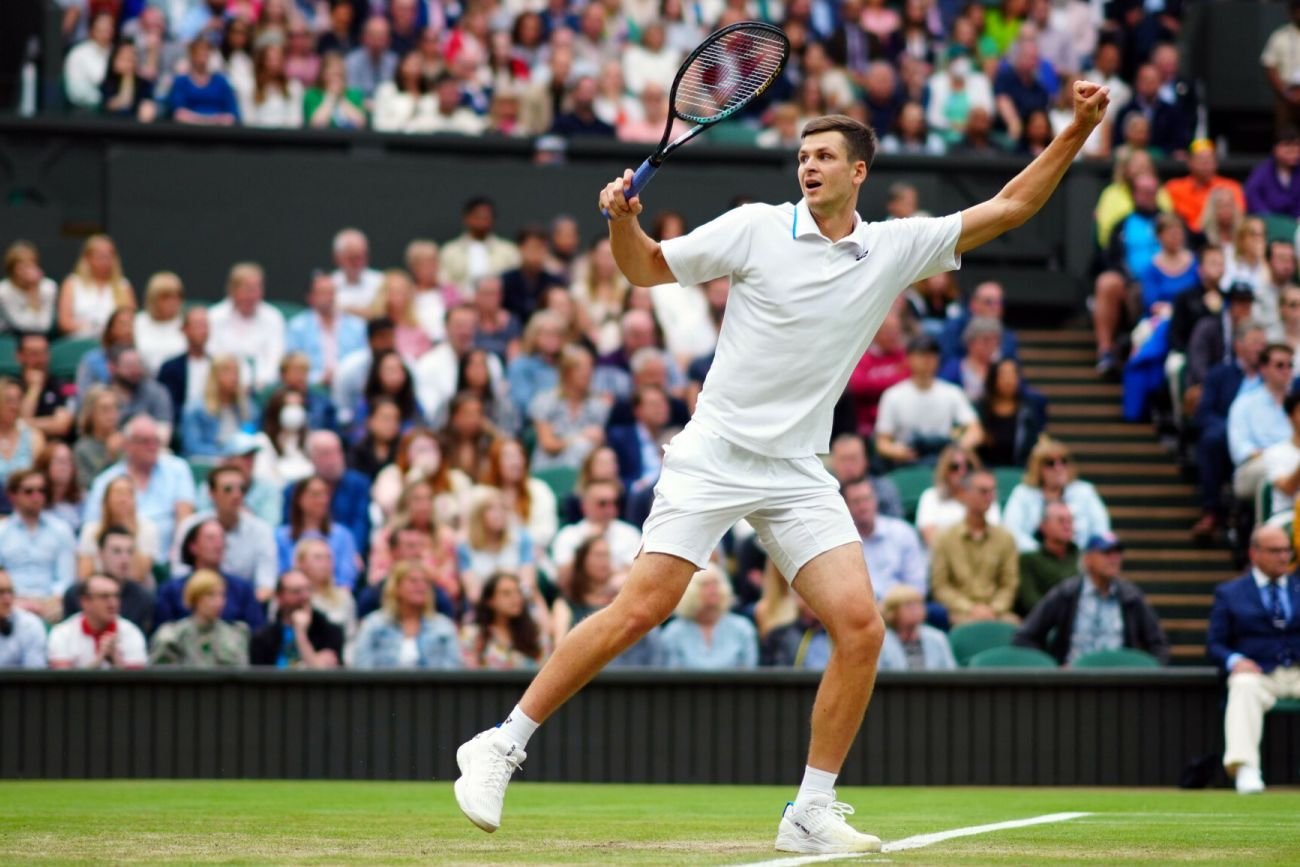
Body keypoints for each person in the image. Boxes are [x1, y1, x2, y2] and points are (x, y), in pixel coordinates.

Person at [455, 83, 1113, 851]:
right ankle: (500, 743)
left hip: (798, 469)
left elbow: (1006, 208)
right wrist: (622, 221)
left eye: (825, 156)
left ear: (858, 172)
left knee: (861, 628)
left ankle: (809, 810)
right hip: (715, 454)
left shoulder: (893, 246)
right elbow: (646, 271)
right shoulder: (754, 228)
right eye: (803, 155)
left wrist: (1074, 131)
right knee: (642, 607)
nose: (809, 165)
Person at [1207, 525, 1300, 795]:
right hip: (1260, 673)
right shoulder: (1230, 592)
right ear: (1254, 553)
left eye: (1287, 550)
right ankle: (1246, 768)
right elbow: (1215, 644)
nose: (1283, 557)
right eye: (1275, 551)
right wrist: (1235, 660)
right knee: (1242, 684)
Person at [1014, 531, 1167, 666]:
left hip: (1121, 686)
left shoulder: (1131, 597)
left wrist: (1144, 675)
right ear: (1087, 559)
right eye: (1106, 553)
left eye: (1117, 553)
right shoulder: (1066, 593)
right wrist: (1053, 668)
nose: (1114, 559)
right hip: (1074, 685)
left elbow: (1158, 645)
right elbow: (1025, 637)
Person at [84, 414, 195, 555]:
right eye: (145, 441)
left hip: (169, 555)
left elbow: (184, 520)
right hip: (121, 554)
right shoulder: (105, 481)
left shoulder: (178, 468)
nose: (153, 446)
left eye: (156, 441)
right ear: (127, 445)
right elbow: (93, 525)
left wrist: (177, 556)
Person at [171, 465, 278, 601]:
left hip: (242, 607)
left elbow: (266, 585)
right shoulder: (190, 525)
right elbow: (179, 574)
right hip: (195, 603)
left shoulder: (262, 530)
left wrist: (243, 606)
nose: (237, 495)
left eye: (242, 489)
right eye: (228, 489)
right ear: (211, 493)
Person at [875, 334, 983, 467]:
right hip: (908, 462)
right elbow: (882, 442)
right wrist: (899, 452)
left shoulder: (953, 392)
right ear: (909, 358)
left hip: (944, 461)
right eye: (921, 354)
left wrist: (956, 449)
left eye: (932, 355)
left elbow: (975, 431)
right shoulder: (893, 395)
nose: (927, 360)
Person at [930, 471, 1021, 626]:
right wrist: (970, 608)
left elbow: (1009, 584)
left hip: (997, 613)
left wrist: (994, 609)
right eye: (983, 491)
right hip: (959, 614)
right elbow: (940, 586)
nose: (989, 497)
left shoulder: (1005, 538)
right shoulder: (945, 538)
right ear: (965, 494)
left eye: (993, 491)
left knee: (1015, 627)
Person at [1002, 436, 1112, 552]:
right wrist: (1042, 554)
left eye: (1063, 461)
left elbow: (1101, 530)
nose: (1058, 468)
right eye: (1051, 463)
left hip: (1079, 561)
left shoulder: (1085, 491)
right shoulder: (1023, 493)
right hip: (1034, 560)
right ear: (1038, 468)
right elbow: (1011, 532)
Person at [155, 519, 265, 629]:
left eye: (221, 538)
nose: (219, 545)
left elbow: (256, 633)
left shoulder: (242, 590)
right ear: (193, 547)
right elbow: (161, 635)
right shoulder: (171, 591)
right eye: (210, 538)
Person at [352, 561, 462, 669]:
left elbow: (453, 669)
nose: (421, 586)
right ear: (397, 587)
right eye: (413, 581)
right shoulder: (374, 624)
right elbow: (362, 667)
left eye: (426, 582)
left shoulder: (444, 627)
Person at [0, 469, 76, 623]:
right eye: (29, 491)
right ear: (13, 496)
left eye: (41, 491)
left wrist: (52, 601)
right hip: (10, 600)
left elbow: (65, 577)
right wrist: (14, 601)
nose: (36, 497)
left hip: (51, 603)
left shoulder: (61, 530)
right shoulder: (2, 531)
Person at [284, 431, 372, 554]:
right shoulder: (294, 490)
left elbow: (361, 522)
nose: (334, 459)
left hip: (347, 550)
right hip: (302, 550)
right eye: (326, 453)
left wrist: (354, 551)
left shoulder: (359, 484)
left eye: (337, 451)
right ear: (312, 457)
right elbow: (290, 525)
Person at [1226, 342, 1294, 501]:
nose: (1286, 370)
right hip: (1257, 466)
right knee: (1278, 467)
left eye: (1290, 365)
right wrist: (1278, 457)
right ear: (1263, 369)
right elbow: (1240, 450)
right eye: (1279, 365)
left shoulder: (1297, 404)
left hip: (1292, 460)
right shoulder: (1244, 403)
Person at [528, 344, 609, 472]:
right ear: (566, 371)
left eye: (590, 367)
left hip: (584, 470)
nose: (587, 372)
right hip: (549, 466)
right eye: (580, 368)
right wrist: (579, 437)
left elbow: (598, 442)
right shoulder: (545, 401)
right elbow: (548, 443)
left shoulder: (597, 406)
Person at [843, 477, 927, 601]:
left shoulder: (902, 532)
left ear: (876, 500)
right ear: (846, 506)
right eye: (856, 502)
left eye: (867, 499)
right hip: (860, 611)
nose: (863, 506)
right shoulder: (842, 543)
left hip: (902, 608)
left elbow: (918, 586)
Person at [207, 262, 286, 391]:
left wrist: (259, 383)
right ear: (232, 290)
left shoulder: (273, 317)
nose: (253, 295)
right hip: (223, 388)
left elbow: (276, 359)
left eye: (257, 289)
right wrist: (234, 382)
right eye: (248, 289)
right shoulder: (214, 317)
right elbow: (212, 356)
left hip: (263, 389)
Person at [659, 567, 758, 669]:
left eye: (716, 583)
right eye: (705, 584)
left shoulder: (743, 628)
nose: (713, 589)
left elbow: (749, 672)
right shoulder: (673, 632)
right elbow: (670, 676)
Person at [63, 526, 155, 635]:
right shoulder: (76, 594)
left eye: (129, 552)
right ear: (100, 554)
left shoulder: (143, 598)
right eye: (117, 551)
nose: (124, 558)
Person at [149, 569, 250, 667]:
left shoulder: (235, 635)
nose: (219, 602)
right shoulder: (172, 636)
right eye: (211, 595)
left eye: (222, 595)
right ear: (195, 597)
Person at [276, 475, 361, 591]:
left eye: (325, 494)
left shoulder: (342, 535)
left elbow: (346, 578)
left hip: (332, 597)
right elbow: (280, 574)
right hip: (293, 595)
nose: (322, 500)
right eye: (315, 494)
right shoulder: (281, 536)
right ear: (299, 499)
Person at [548, 478, 642, 582]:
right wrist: (586, 545)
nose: (610, 509)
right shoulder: (568, 535)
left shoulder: (630, 533)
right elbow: (562, 579)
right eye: (602, 503)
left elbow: (638, 574)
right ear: (585, 506)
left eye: (614, 503)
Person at [47, 574, 148, 669]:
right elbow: (62, 683)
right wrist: (98, 661)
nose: (113, 603)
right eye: (104, 596)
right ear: (85, 602)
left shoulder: (131, 632)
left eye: (116, 596)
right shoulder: (62, 634)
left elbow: (138, 685)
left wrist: (117, 662)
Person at [458, 486, 538, 607]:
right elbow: (473, 593)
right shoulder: (465, 548)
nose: (499, 514)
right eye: (491, 509)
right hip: (484, 610)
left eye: (502, 508)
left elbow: (528, 584)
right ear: (478, 515)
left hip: (520, 606)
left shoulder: (521, 538)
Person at [249, 569, 344, 668]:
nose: (305, 596)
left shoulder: (330, 632)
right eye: (296, 591)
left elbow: (324, 677)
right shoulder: (262, 638)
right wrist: (315, 659)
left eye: (308, 589)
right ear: (279, 597)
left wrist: (300, 633)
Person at [285, 271, 368, 385]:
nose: (329, 298)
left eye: (332, 292)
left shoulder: (357, 326)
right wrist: (319, 378)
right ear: (311, 297)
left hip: (350, 386)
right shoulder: (297, 327)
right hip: (310, 388)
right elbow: (291, 367)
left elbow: (364, 363)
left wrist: (342, 376)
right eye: (323, 293)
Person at [461, 571, 550, 670]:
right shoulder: (473, 635)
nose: (516, 598)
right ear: (490, 600)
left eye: (518, 592)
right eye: (506, 593)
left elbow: (547, 669)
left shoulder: (535, 634)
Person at [915, 445, 1001, 547]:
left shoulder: (986, 496)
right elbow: (931, 538)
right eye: (955, 467)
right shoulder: (931, 496)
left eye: (968, 466)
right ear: (945, 471)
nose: (962, 472)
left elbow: (993, 536)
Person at [440, 197, 521, 294]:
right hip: (460, 305)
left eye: (486, 217)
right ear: (466, 218)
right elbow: (444, 282)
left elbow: (515, 283)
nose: (481, 222)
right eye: (477, 217)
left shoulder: (508, 251)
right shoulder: (450, 251)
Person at [180, 354, 252, 458]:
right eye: (227, 372)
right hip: (211, 460)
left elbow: (251, 437)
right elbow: (191, 447)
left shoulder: (246, 406)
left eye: (236, 372)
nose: (234, 378)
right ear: (214, 376)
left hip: (241, 459)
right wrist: (225, 453)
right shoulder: (195, 409)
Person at [1016, 502, 1080, 616]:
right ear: (1043, 526)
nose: (1067, 525)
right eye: (1061, 521)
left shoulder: (1083, 558)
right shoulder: (1028, 560)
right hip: (1041, 623)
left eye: (1070, 521)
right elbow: (1030, 601)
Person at [877, 585, 957, 671]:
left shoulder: (938, 638)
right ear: (893, 612)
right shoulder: (881, 643)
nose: (916, 610)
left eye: (919, 604)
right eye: (909, 606)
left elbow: (951, 672)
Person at [157, 306, 211, 428]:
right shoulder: (170, 368)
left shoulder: (218, 366)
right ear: (184, 330)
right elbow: (166, 406)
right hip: (181, 426)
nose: (202, 331)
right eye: (197, 326)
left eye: (205, 326)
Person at [167, 38, 241, 125]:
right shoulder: (181, 82)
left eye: (205, 53)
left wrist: (200, 119)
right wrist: (214, 120)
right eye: (198, 53)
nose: (202, 58)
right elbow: (179, 114)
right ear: (191, 55)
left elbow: (231, 116)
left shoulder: (221, 82)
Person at [294, 538, 358, 638]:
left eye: (329, 558)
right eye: (318, 558)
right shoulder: (288, 597)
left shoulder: (344, 598)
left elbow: (351, 638)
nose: (325, 563)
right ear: (301, 563)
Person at [16, 332, 72, 440]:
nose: (41, 360)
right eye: (34, 354)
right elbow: (14, 430)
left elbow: (62, 425)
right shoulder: (11, 386)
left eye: (44, 353)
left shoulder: (63, 386)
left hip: (55, 446)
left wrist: (23, 423)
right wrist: (34, 388)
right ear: (20, 356)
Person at [0, 241, 57, 336]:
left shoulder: (49, 287)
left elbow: (44, 326)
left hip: (41, 338)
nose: (28, 270)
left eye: (31, 265)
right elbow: (22, 326)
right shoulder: (3, 291)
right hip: (9, 336)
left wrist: (34, 290)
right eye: (22, 267)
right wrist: (33, 290)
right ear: (11, 270)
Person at [133, 272, 186, 374]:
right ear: (153, 298)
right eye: (166, 297)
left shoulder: (186, 324)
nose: (173, 302)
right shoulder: (137, 322)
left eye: (177, 296)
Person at [1261, 0, 1300, 134]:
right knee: (1284, 135)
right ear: (1291, 12)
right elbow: (1269, 66)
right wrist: (1286, 93)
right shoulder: (1279, 36)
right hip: (1286, 95)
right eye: (1297, 9)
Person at [0, 377, 45, 493]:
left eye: (18, 400)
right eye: (9, 400)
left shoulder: (34, 437)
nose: (14, 406)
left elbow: (40, 479)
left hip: (25, 504)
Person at [1244, 129, 1300, 219]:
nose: (1293, 150)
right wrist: (1269, 219)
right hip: (1268, 224)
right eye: (1287, 145)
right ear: (1275, 148)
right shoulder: (1262, 172)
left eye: (1296, 145)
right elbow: (1253, 197)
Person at [331, 228, 384, 317]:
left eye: (362, 257)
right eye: (352, 258)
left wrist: (343, 309)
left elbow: (381, 314)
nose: (358, 263)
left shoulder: (381, 281)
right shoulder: (328, 285)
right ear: (337, 258)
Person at [0, 569, 47, 668]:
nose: (7, 599)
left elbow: (34, 677)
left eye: (10, 591)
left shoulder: (30, 625)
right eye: (1, 592)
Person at [37, 440, 83, 532]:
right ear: (45, 466)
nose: (65, 467)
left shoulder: (83, 500)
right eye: (60, 462)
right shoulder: (35, 497)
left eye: (69, 461)